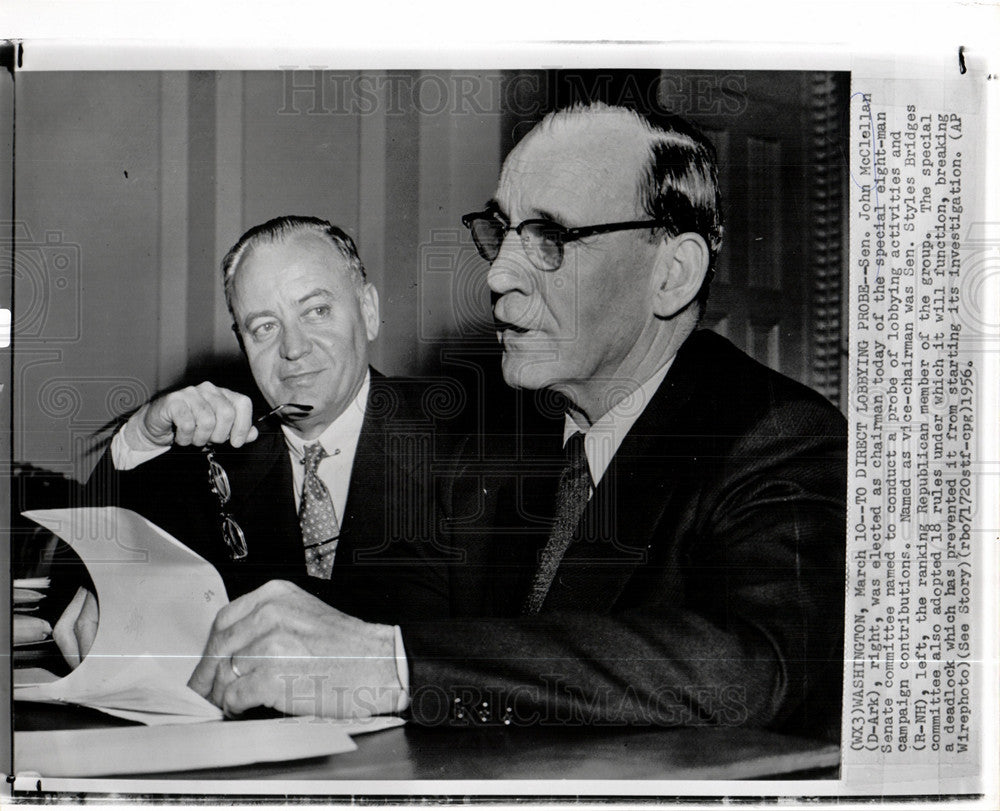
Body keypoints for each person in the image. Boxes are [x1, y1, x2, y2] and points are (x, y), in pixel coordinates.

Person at [188, 103, 847, 736]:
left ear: (671, 274)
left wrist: (396, 664)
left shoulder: (780, 436)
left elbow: (763, 668)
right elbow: (365, 613)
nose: (499, 274)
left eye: (550, 237)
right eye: (500, 232)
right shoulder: (495, 442)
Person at [55, 216, 452, 671]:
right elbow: (67, 593)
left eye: (316, 311)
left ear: (367, 310)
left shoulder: (463, 442)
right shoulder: (215, 454)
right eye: (264, 326)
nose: (293, 348)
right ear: (242, 343)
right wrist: (140, 438)